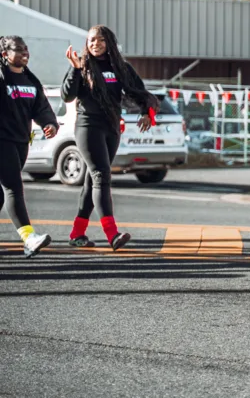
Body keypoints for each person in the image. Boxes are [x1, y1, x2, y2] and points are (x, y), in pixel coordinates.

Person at [61, 25, 159, 251]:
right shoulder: (82, 65)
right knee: (101, 175)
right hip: (88, 126)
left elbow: (138, 91)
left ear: (109, 43)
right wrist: (75, 69)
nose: (96, 44)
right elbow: (68, 95)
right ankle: (112, 234)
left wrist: (146, 111)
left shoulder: (121, 68)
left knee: (91, 180)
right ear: (86, 43)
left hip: (112, 127)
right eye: (92, 40)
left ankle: (77, 233)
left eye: (101, 40)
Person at [0, 36, 59, 258]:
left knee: (0, 193)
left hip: (21, 141)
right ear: (5, 54)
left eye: (27, 49)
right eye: (19, 50)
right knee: (13, 187)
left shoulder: (30, 80)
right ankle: (29, 237)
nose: (25, 53)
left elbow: (41, 107)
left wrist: (50, 124)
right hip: (2, 140)